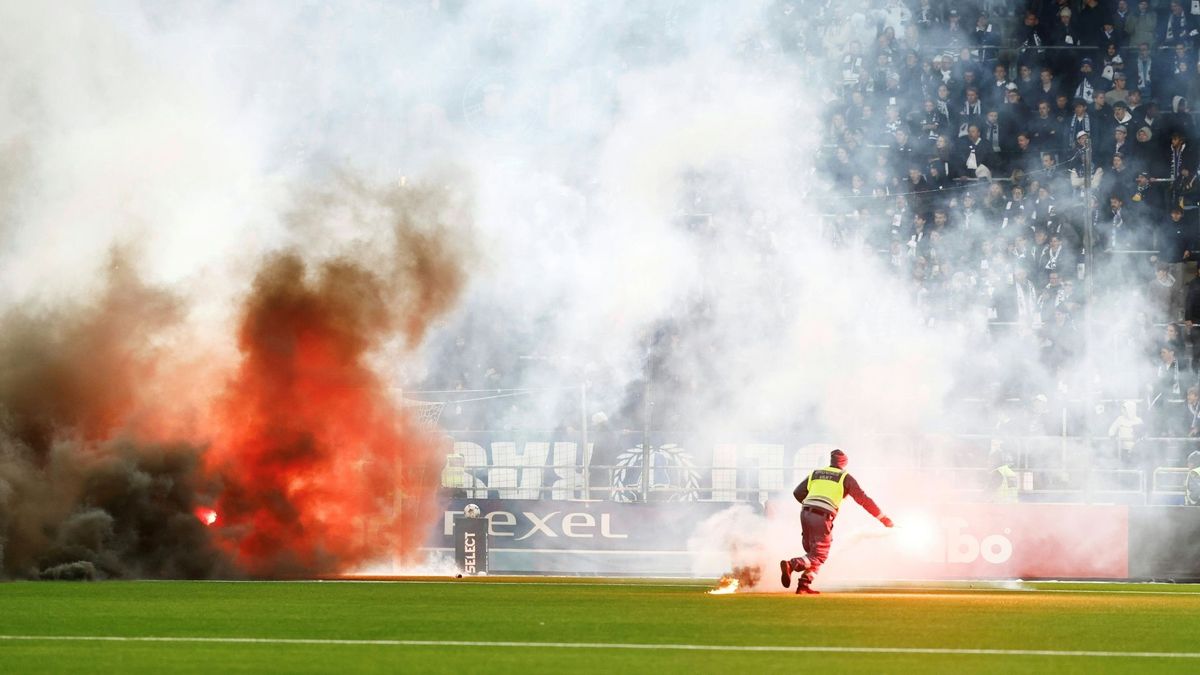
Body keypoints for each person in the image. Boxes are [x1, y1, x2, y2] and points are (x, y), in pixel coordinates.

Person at [779, 449, 893, 595]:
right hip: (822, 516)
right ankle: (792, 564)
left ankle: (804, 586)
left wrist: (811, 505)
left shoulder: (816, 473)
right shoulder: (845, 477)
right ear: (844, 463)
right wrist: (883, 518)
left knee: (813, 553)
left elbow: (797, 492)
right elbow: (863, 499)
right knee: (820, 555)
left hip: (805, 512)